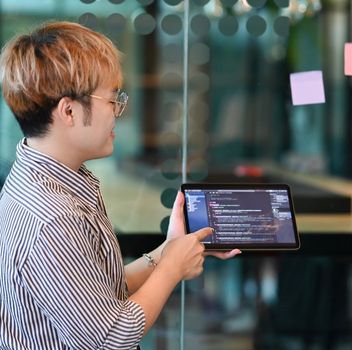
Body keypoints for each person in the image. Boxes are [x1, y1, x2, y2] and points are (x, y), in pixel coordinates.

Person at [0, 21, 240, 349]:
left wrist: (168, 251)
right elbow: (112, 337)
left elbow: (96, 296)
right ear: (68, 110)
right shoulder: (55, 216)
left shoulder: (39, 180)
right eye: (112, 100)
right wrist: (170, 269)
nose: (118, 113)